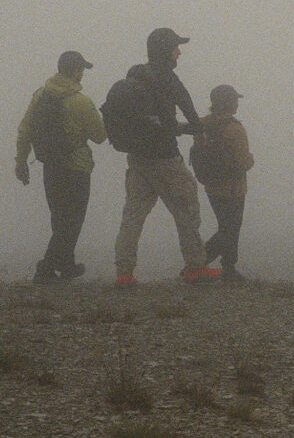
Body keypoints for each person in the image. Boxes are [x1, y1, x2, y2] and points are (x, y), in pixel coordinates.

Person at [112, 27, 218, 285]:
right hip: (164, 156)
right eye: (175, 48)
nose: (178, 53)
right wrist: (198, 130)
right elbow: (186, 104)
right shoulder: (167, 78)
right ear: (165, 51)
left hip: (137, 158)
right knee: (187, 206)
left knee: (133, 215)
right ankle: (195, 266)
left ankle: (124, 272)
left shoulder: (136, 76)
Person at [15, 50, 107, 283]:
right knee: (72, 220)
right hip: (76, 167)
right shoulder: (81, 101)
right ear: (76, 71)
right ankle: (45, 269)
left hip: (51, 166)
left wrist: (20, 162)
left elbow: (25, 130)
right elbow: (99, 136)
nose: (83, 75)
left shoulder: (40, 95)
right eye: (82, 70)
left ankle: (67, 265)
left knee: (60, 218)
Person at [195, 84, 254, 282]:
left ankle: (217, 266)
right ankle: (203, 264)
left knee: (225, 226)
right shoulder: (235, 129)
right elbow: (244, 161)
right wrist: (252, 160)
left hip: (211, 185)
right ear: (230, 104)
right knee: (231, 228)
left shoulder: (202, 124)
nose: (237, 104)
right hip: (233, 187)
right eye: (235, 100)